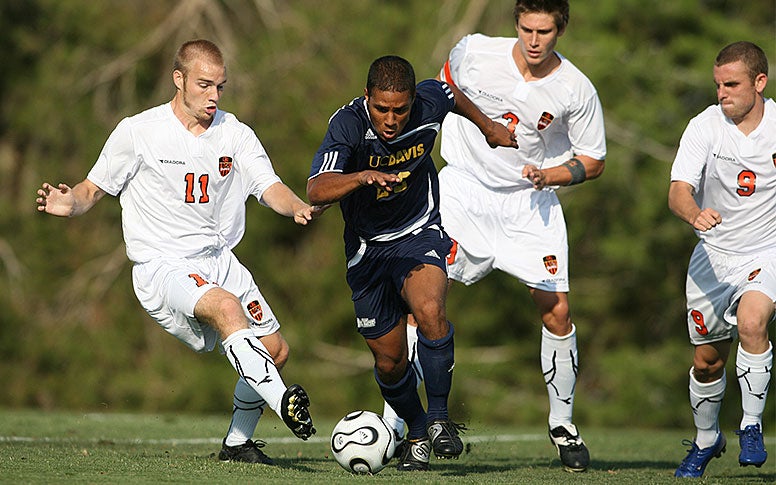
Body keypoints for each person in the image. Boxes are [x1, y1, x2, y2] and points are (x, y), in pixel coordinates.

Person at [35, 39, 319, 464]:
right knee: (226, 309)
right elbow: (92, 189)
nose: (213, 96)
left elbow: (267, 185)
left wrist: (294, 204)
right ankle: (285, 404)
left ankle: (238, 444)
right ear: (178, 79)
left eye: (220, 87)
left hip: (219, 258)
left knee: (275, 350)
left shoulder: (235, 133)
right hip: (162, 264)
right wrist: (69, 203)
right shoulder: (139, 131)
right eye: (204, 85)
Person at [383, 0, 607, 473]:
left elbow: (593, 160)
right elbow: (437, 96)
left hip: (529, 201)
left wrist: (553, 175)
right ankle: (401, 424)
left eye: (544, 31)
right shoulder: (474, 52)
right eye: (526, 28)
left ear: (559, 30)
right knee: (421, 296)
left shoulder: (575, 88)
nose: (533, 40)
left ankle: (563, 425)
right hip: (462, 188)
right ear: (516, 25)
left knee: (557, 310)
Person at [307, 55, 517, 471]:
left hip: (418, 230)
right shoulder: (347, 124)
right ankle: (417, 433)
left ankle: (439, 420)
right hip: (367, 250)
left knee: (430, 310)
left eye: (400, 109)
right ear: (367, 97)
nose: (391, 119)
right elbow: (316, 189)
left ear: (410, 101)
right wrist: (361, 177)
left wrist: (489, 127)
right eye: (382, 108)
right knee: (389, 362)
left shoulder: (427, 101)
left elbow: (451, 94)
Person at [669, 41, 774, 479]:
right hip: (713, 256)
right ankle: (708, 438)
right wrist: (695, 213)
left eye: (731, 84)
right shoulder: (704, 127)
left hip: (766, 251)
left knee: (753, 322)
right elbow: (677, 192)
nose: (722, 93)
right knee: (707, 361)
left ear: (759, 83)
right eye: (717, 85)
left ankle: (751, 423)